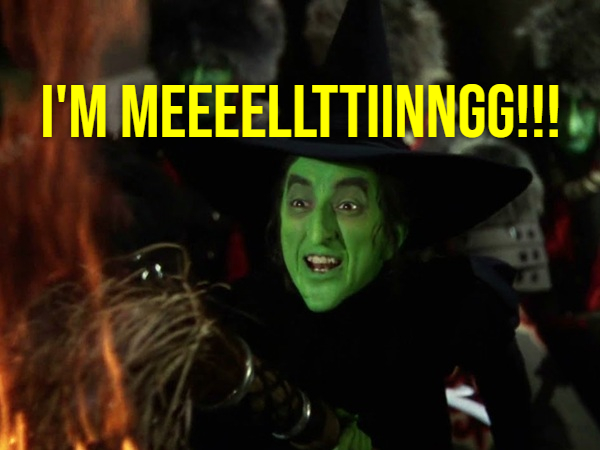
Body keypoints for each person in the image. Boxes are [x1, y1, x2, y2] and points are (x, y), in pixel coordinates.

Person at [190, 0, 534, 449]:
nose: (318, 233)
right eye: (300, 202)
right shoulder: (235, 328)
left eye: (349, 206)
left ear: (394, 233)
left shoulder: (452, 318)